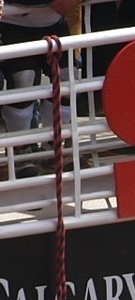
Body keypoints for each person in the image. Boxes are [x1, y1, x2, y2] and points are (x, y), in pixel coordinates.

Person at [1, 0, 83, 179]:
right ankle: (21, 151)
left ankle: (52, 145)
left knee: (67, 77)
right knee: (24, 79)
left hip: (54, 22)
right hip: (12, 23)